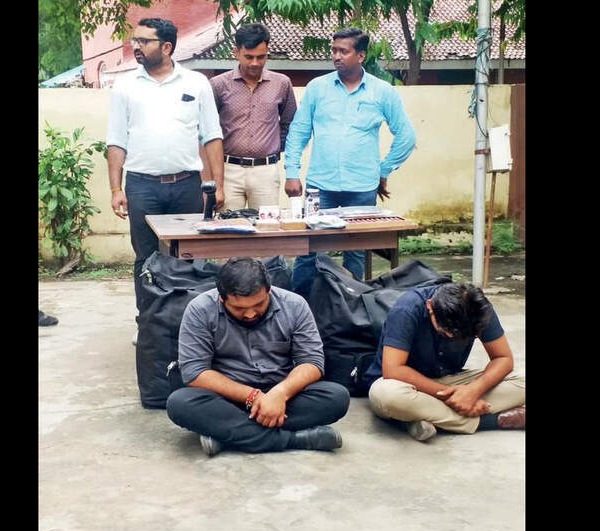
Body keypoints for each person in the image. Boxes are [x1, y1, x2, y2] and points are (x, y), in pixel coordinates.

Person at [105, 18, 226, 343]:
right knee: (146, 257)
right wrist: (116, 188)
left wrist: (218, 185)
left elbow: (212, 135)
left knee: (190, 256)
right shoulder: (125, 86)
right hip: (141, 186)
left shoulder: (196, 83)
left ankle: (193, 323)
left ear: (167, 47)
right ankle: (147, 323)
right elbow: (116, 141)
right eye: (135, 40)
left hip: (187, 185)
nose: (136, 46)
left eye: (144, 41)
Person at [166, 257, 350, 456]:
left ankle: (227, 435)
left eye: (259, 304)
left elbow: (312, 362)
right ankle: (295, 439)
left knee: (336, 397)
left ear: (268, 291)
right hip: (227, 399)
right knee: (180, 403)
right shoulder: (200, 310)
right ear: (222, 299)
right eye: (239, 309)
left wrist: (280, 393)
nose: (250, 314)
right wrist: (252, 396)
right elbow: (194, 372)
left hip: (281, 396)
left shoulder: (295, 305)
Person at [284, 27, 416, 295]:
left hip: (361, 188)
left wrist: (382, 169)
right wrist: (291, 171)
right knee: (308, 250)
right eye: (333, 50)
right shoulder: (317, 88)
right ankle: (300, 305)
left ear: (361, 55)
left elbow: (406, 137)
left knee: (355, 253)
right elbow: (298, 132)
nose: (336, 56)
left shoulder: (382, 92)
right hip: (320, 186)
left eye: (343, 51)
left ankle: (351, 306)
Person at [362, 282, 525, 441]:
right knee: (386, 396)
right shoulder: (407, 309)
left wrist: (473, 390)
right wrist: (453, 396)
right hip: (406, 383)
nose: (452, 338)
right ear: (430, 307)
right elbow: (393, 369)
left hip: (452, 379)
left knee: (522, 380)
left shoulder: (479, 309)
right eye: (446, 332)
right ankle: (490, 421)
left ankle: (421, 418)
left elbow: (503, 358)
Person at [208, 22, 297, 212]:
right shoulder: (218, 85)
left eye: (261, 57)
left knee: (267, 226)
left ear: (267, 52)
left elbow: (290, 125)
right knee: (228, 226)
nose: (255, 63)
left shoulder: (282, 83)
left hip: (265, 171)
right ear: (236, 52)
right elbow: (208, 130)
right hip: (228, 170)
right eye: (249, 57)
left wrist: (273, 148)